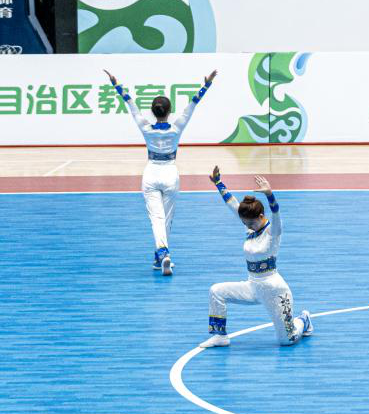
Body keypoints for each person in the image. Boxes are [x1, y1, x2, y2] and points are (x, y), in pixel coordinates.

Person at [104, 68, 216, 275]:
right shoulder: (176, 128)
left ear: (153, 111)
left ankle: (161, 254)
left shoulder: (146, 128)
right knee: (167, 218)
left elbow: (131, 105)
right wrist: (206, 84)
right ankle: (162, 254)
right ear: (169, 111)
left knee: (156, 218)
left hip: (151, 174)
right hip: (170, 174)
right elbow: (193, 105)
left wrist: (116, 84)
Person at [201, 167, 312, 348]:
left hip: (275, 291)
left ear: (261, 216)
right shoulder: (250, 226)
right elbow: (232, 204)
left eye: (251, 223)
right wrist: (219, 183)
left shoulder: (273, 231)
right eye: (245, 223)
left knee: (287, 340)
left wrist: (269, 195)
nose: (248, 227)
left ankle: (303, 320)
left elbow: (276, 212)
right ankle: (219, 336)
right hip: (252, 286)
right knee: (216, 291)